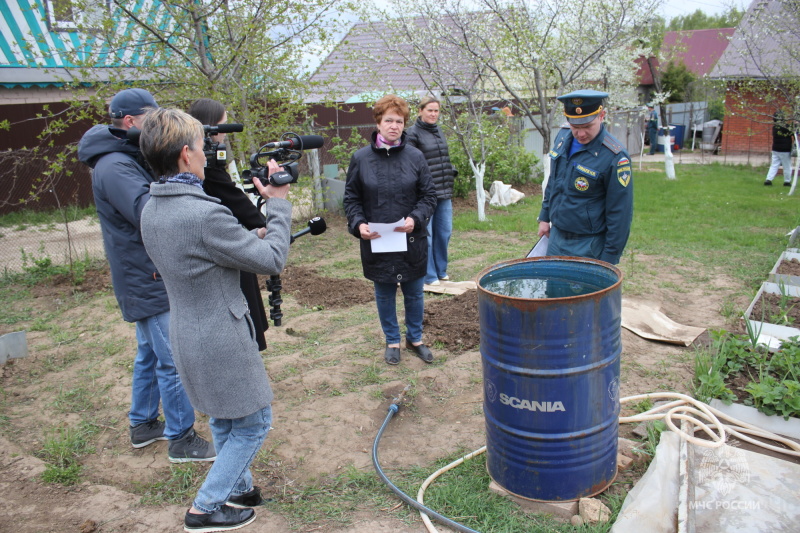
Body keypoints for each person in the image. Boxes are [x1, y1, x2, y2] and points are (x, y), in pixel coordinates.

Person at [138, 107, 292, 532]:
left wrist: (249, 235)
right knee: (255, 421)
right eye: (205, 149)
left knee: (226, 418)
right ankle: (205, 508)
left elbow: (211, 251)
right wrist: (277, 207)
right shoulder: (203, 213)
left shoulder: (154, 208)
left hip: (186, 331)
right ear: (187, 155)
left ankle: (238, 489)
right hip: (220, 334)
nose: (210, 156)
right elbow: (271, 259)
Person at [77, 88, 215, 463]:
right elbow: (149, 214)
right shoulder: (114, 165)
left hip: (145, 272)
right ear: (129, 122)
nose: (156, 126)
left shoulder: (125, 157)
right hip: (146, 275)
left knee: (150, 354)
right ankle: (181, 438)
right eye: (150, 118)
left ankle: (142, 424)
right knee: (172, 358)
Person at [343, 94, 438, 366]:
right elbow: (351, 199)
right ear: (378, 122)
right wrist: (358, 224)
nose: (394, 126)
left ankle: (415, 339)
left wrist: (415, 219)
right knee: (384, 293)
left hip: (411, 239)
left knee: (415, 293)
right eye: (389, 120)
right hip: (377, 241)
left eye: (399, 121)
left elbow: (429, 196)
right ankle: (392, 341)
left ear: (405, 123)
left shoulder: (415, 156)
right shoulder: (361, 159)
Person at [188, 98, 270, 350]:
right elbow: (235, 201)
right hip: (224, 244)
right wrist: (268, 222)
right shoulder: (205, 166)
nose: (224, 132)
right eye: (222, 126)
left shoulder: (206, 161)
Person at [537, 89, 633, 265]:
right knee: (552, 289)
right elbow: (554, 180)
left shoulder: (615, 156)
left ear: (601, 116)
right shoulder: (563, 137)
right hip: (556, 236)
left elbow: (620, 214)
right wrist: (544, 217)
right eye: (575, 127)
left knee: (582, 292)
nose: (581, 134)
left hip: (588, 244)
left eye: (587, 126)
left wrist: (609, 259)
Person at [406, 96, 457, 286]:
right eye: (430, 110)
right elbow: (411, 164)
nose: (434, 114)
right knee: (425, 236)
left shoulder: (438, 131)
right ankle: (429, 275)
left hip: (444, 191)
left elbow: (441, 158)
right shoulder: (412, 134)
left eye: (436, 111)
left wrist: (451, 172)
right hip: (425, 195)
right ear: (420, 111)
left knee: (444, 232)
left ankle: (441, 270)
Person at [765, 111, 794, 186]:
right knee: (787, 166)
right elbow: (793, 132)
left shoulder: (775, 127)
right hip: (785, 150)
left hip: (775, 149)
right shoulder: (785, 127)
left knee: (774, 165)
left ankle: (768, 179)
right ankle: (787, 181)